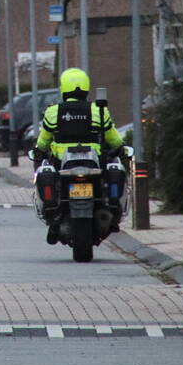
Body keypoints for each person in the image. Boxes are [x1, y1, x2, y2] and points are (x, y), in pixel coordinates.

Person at [32, 67, 125, 244]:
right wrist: (120, 148)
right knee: (111, 173)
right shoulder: (98, 111)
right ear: (86, 87)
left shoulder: (53, 112)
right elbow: (113, 138)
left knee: (49, 176)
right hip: (93, 164)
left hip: (64, 166)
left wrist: (38, 151)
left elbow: (43, 141)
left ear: (63, 88)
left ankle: (55, 216)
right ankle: (109, 209)